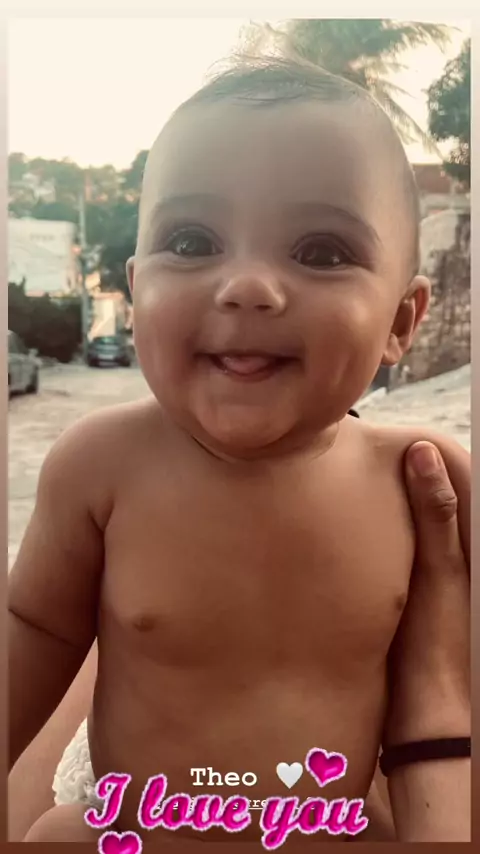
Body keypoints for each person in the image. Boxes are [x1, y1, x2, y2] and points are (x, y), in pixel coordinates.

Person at [8, 57, 470, 844]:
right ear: (136, 287)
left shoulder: (424, 478)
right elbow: (34, 630)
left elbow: (451, 691)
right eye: (192, 241)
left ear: (401, 321)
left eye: (320, 251)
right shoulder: (101, 467)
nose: (247, 286)